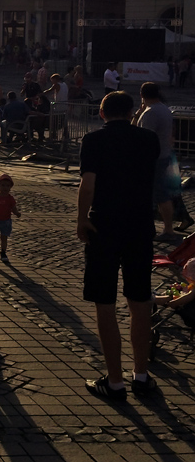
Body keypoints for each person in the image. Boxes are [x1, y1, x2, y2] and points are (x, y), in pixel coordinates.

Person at [78, 91, 160, 400]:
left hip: (105, 224)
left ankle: (114, 381)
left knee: (105, 302)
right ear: (132, 112)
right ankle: (141, 374)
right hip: (140, 225)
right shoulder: (149, 140)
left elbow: (88, 184)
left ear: (101, 114)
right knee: (140, 301)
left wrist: (81, 219)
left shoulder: (93, 141)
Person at [131, 82, 179, 239]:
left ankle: (168, 229)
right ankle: (164, 227)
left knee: (159, 193)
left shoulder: (151, 113)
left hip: (153, 158)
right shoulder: (164, 109)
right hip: (162, 154)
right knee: (157, 192)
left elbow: (141, 136)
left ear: (141, 95)